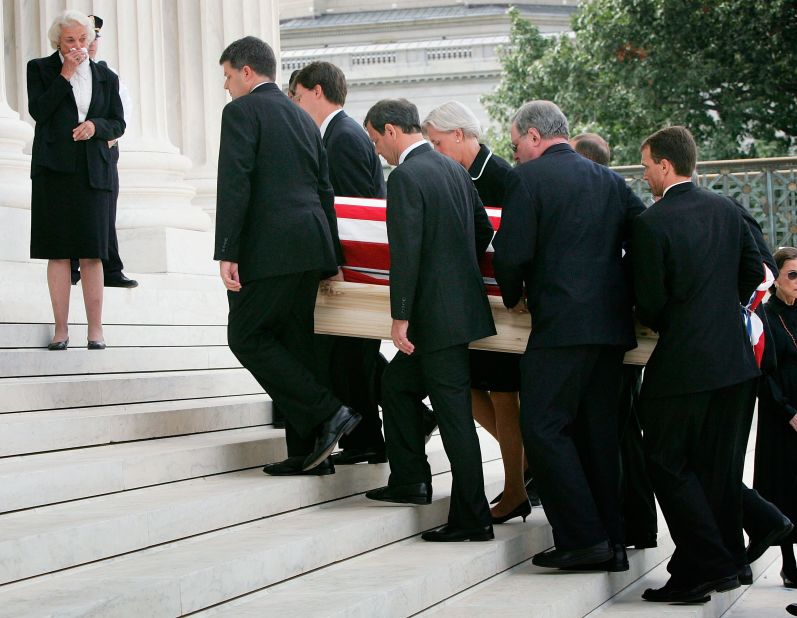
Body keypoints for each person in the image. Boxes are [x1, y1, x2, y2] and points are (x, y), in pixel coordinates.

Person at [493, 101, 645, 571]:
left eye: (516, 142)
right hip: (610, 329)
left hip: (560, 325)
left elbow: (511, 252)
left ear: (535, 136)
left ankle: (582, 539)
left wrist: (515, 293)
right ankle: (612, 541)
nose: (515, 152)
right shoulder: (610, 180)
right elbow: (643, 232)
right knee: (597, 435)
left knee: (541, 427)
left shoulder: (527, 179)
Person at [214, 36, 360, 476]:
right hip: (310, 245)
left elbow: (235, 181)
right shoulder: (302, 117)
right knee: (298, 346)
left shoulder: (240, 111)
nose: (225, 86)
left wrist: (227, 250)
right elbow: (324, 188)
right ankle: (310, 453)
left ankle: (329, 411)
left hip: (269, 248)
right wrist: (331, 252)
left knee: (246, 336)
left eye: (226, 75)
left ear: (246, 71)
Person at [632, 126, 763, 603]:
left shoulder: (651, 223)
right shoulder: (728, 209)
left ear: (666, 166)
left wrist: (684, 318)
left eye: (646, 165)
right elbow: (756, 271)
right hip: (735, 363)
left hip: (683, 365)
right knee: (714, 469)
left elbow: (648, 303)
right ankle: (694, 572)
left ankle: (714, 563)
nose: (644, 174)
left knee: (664, 461)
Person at [362, 98, 497, 543]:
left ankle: (472, 518)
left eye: (376, 139)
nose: (378, 149)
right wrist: (456, 272)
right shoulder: (455, 170)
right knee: (396, 386)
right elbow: (482, 230)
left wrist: (399, 316)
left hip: (432, 320)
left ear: (391, 130)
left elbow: (406, 251)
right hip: (458, 313)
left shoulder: (405, 176)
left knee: (455, 417)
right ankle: (410, 480)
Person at [421, 100, 529, 525]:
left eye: (438, 141)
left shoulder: (501, 176)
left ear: (462, 135)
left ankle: (517, 487)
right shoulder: (455, 173)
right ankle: (525, 462)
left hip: (501, 302)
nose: (434, 149)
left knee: (503, 393)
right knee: (465, 388)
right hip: (469, 302)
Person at [286, 60, 388, 467]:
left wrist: (334, 267)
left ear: (316, 91)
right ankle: (368, 438)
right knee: (351, 360)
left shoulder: (342, 137)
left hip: (349, 268)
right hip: (351, 268)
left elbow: (345, 212)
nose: (294, 105)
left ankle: (368, 439)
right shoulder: (343, 134)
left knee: (350, 361)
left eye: (296, 96)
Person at [571, 132, 658, 551]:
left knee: (613, 433)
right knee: (626, 433)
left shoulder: (597, 195)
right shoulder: (618, 194)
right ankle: (639, 524)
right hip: (623, 331)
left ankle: (626, 523)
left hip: (609, 332)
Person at [27, 10, 126, 351]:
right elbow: (39, 111)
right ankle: (60, 330)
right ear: (58, 41)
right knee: (57, 252)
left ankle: (95, 330)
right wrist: (65, 74)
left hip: (92, 173)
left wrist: (96, 127)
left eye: (83, 39)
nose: (77, 46)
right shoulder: (39, 69)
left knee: (92, 254)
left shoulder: (105, 76)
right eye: (70, 40)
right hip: (53, 171)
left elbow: (118, 122)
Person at [70, 15, 138, 289]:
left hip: (103, 149)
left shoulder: (108, 76)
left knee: (105, 211)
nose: (90, 44)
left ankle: (110, 267)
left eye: (92, 37)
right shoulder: (61, 73)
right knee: (73, 209)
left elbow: (124, 113)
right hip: (72, 151)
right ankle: (73, 266)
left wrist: (105, 135)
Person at [756, 246, 797, 589]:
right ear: (776, 280)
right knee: (783, 487)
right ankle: (788, 563)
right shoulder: (765, 316)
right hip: (779, 414)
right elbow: (763, 373)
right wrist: (788, 412)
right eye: (792, 275)